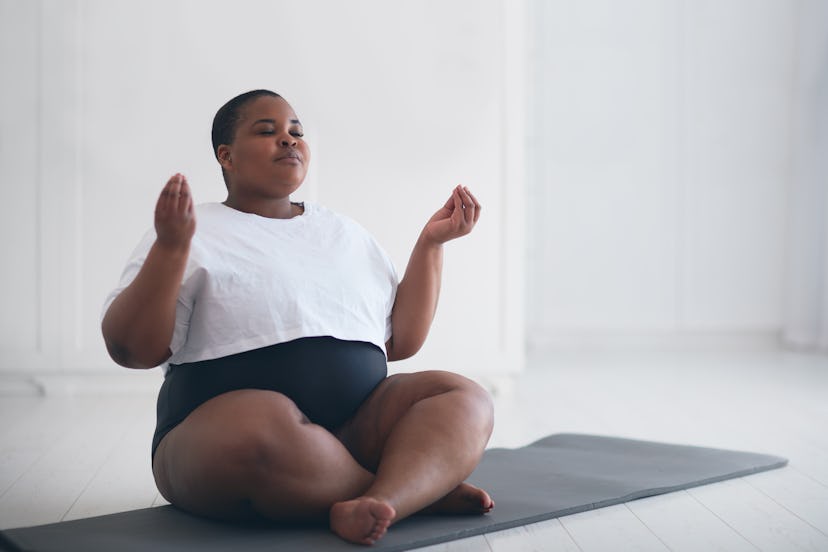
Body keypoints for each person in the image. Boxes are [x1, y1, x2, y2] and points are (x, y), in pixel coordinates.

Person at [100, 89, 494, 546]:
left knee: (463, 397)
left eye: (296, 132)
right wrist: (170, 249)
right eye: (267, 131)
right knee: (260, 425)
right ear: (225, 156)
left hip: (355, 430)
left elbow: (400, 341)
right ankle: (414, 491)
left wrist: (431, 243)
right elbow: (131, 349)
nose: (288, 140)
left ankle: (381, 497)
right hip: (216, 438)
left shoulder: (344, 233)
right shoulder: (192, 228)